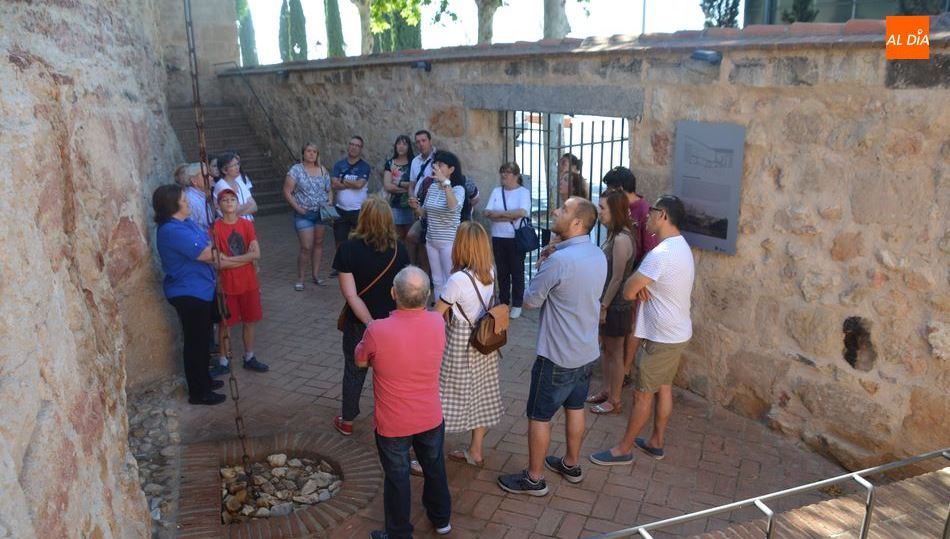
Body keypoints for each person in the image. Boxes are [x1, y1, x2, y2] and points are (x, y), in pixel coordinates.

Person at [497, 197, 606, 496]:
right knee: (574, 408)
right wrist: (555, 249)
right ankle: (571, 463)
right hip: (585, 352)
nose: (556, 212)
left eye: (564, 210)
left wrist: (545, 262)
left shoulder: (559, 261)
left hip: (556, 355)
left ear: (576, 223)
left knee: (539, 416)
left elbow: (530, 301)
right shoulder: (597, 254)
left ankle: (534, 478)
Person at [590, 195, 695, 466]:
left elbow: (627, 291)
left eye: (651, 212)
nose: (645, 216)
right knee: (664, 387)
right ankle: (655, 442)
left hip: (663, 337)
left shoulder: (659, 255)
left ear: (663, 216)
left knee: (642, 393)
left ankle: (623, 449)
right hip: (675, 333)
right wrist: (644, 286)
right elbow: (643, 286)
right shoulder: (680, 247)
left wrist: (640, 286)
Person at [355, 266, 452, 539]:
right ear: (428, 295)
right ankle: (441, 519)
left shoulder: (377, 330)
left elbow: (361, 360)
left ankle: (399, 532)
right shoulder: (437, 322)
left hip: (393, 422)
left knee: (397, 477)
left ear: (393, 294)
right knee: (434, 467)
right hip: (430, 416)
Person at [332, 196, 410, 436]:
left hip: (360, 323)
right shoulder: (400, 250)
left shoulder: (347, 249)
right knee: (390, 373)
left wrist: (370, 324)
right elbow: (404, 291)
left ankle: (347, 420)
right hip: (392, 323)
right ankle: (390, 418)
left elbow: (351, 296)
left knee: (354, 370)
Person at [153, 184, 235, 405]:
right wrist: (214, 253)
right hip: (189, 292)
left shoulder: (185, 223)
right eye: (184, 200)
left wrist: (213, 251)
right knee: (195, 343)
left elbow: (210, 244)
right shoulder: (172, 230)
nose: (188, 202)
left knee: (202, 341)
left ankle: (205, 380)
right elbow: (207, 252)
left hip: (200, 288)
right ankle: (199, 392)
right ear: (174, 205)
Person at [434, 222, 504, 468]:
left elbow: (436, 316)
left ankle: (429, 458)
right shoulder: (491, 271)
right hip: (485, 342)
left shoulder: (457, 280)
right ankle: (476, 451)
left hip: (460, 342)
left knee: (443, 395)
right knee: (481, 393)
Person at [602, 166, 659, 388]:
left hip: (633, 277)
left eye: (611, 188)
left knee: (632, 325)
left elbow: (649, 250)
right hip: (621, 275)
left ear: (622, 188)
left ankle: (625, 369)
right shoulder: (620, 208)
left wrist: (638, 280)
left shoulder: (643, 210)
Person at [586, 191, 637, 415]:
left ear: (615, 210)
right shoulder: (613, 235)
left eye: (603, 207)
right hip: (609, 303)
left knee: (615, 352)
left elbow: (617, 278)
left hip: (616, 306)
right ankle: (607, 390)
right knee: (607, 349)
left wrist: (604, 306)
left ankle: (615, 399)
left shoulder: (621, 239)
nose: (600, 212)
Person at [212, 189, 269, 373]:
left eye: (232, 199)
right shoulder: (215, 228)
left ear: (237, 203)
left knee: (250, 320)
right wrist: (246, 257)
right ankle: (223, 360)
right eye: (225, 200)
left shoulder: (246, 225)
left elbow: (257, 254)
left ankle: (249, 356)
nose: (229, 202)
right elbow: (219, 263)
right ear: (219, 205)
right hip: (227, 285)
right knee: (225, 324)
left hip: (249, 282)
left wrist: (231, 260)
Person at [409, 150, 465, 302]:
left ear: (451, 169)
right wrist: (415, 207)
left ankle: (452, 312)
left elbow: (453, 206)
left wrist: (445, 182)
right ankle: (440, 315)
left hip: (449, 242)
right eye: (436, 164)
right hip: (431, 240)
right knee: (437, 279)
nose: (436, 167)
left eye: (440, 165)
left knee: (450, 279)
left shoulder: (458, 189)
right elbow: (425, 213)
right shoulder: (433, 188)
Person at [483, 162, 531, 320]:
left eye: (508, 172)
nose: (504, 175)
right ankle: (503, 301)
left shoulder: (523, 192)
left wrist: (499, 215)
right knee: (502, 272)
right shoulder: (497, 191)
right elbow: (487, 212)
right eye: (502, 171)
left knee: (517, 271)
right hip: (498, 236)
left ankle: (517, 303)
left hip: (515, 238)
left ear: (516, 175)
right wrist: (508, 215)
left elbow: (522, 212)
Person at [284, 142, 333, 291]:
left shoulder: (322, 170)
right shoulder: (296, 170)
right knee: (306, 246)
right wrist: (298, 208)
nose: (311, 154)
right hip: (304, 214)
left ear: (317, 154)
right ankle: (300, 279)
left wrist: (329, 201)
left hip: (320, 213)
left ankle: (316, 275)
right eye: (308, 151)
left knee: (318, 244)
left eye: (314, 152)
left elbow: (329, 190)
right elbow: (287, 191)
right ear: (303, 153)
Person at [331, 136, 372, 271]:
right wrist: (350, 184)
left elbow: (360, 185)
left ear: (361, 149)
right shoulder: (339, 165)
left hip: (358, 210)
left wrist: (342, 181)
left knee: (360, 239)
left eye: (357, 145)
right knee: (340, 240)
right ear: (348, 146)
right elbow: (334, 184)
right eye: (352, 144)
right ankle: (341, 266)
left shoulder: (364, 166)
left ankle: (359, 264)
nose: (354, 147)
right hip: (340, 209)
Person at [406, 130, 436, 267]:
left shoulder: (438, 159)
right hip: (418, 205)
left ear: (430, 141)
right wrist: (412, 198)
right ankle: (412, 267)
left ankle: (425, 273)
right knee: (413, 238)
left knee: (422, 240)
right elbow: (412, 184)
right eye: (418, 142)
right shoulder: (415, 161)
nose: (421, 144)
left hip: (432, 205)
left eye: (423, 141)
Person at [382, 135, 415, 239]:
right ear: (395, 146)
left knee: (410, 236)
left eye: (404, 144)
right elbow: (387, 186)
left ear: (409, 147)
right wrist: (406, 187)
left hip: (410, 204)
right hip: (394, 204)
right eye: (399, 143)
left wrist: (397, 183)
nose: (401, 146)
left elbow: (414, 184)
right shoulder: (390, 163)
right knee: (397, 236)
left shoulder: (414, 163)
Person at [213, 152, 257, 221]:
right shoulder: (221, 185)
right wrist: (248, 205)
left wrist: (239, 210)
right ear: (224, 170)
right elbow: (230, 211)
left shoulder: (240, 182)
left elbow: (254, 206)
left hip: (247, 224)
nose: (237, 167)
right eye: (233, 165)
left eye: (237, 164)